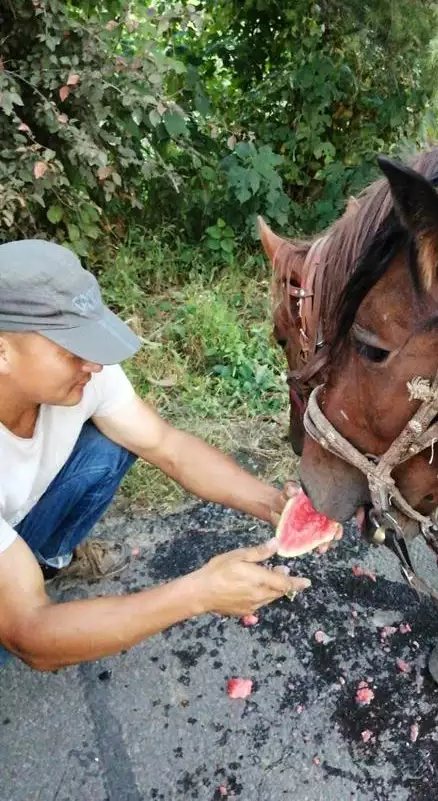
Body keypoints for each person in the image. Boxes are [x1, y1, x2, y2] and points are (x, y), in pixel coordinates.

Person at [0, 239, 332, 672]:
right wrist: (198, 593)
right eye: (71, 352)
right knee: (17, 639)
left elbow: (167, 446)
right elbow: (30, 630)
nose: (95, 366)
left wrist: (272, 504)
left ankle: (44, 560)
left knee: (111, 442)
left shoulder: (85, 372)